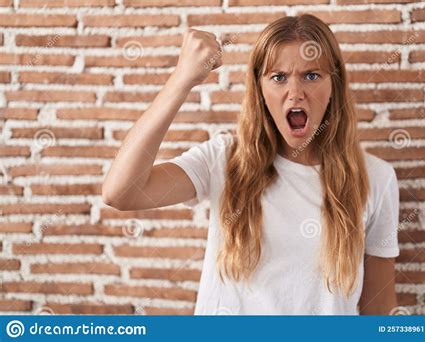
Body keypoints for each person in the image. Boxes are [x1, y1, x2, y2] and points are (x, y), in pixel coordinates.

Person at [102, 14, 400, 315]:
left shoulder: (376, 178)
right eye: (278, 77)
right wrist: (182, 79)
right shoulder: (222, 159)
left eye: (311, 75)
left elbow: (379, 310)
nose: (295, 93)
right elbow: (121, 192)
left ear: (334, 85)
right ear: (260, 91)